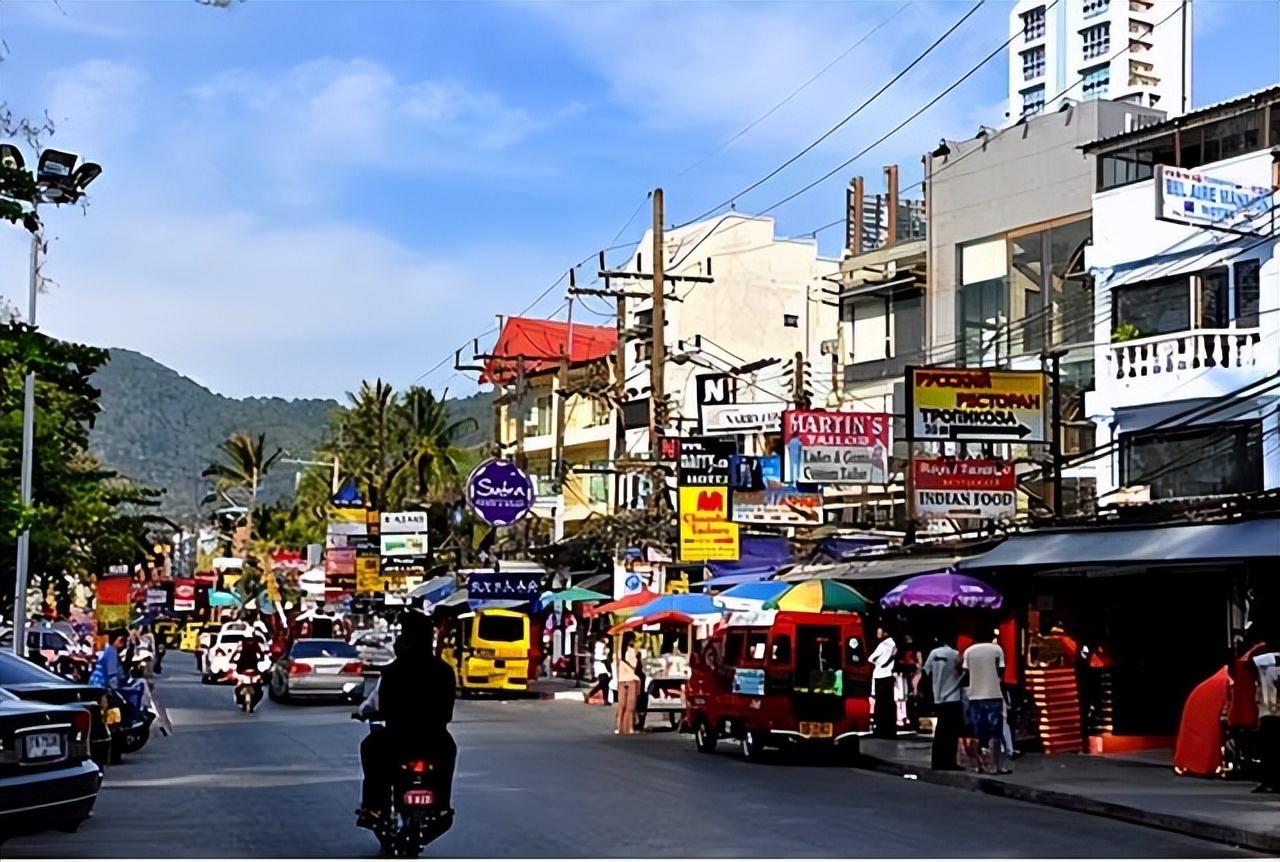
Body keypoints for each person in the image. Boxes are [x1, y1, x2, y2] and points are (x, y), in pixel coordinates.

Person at [356, 611, 457, 825]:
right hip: (435, 741)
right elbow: (446, 712)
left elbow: (380, 707)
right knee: (448, 753)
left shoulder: (393, 672)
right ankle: (441, 806)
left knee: (370, 747)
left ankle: (375, 807)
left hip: (397, 740)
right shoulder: (444, 672)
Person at [963, 630, 1010, 774]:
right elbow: (1001, 670)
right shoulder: (996, 649)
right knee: (995, 732)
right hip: (993, 693)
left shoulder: (969, 651)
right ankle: (995, 765)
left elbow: (966, 671)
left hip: (974, 695)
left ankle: (978, 765)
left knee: (977, 732)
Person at [924, 634, 964, 770]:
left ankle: (936, 761)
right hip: (953, 697)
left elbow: (926, 672)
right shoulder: (956, 655)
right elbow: (963, 672)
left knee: (940, 732)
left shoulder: (934, 653)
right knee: (951, 733)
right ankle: (949, 761)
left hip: (938, 697)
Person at [869, 626, 898, 739]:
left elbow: (871, 658)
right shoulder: (894, 645)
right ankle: (890, 729)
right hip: (889, 676)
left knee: (880, 704)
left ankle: (880, 729)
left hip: (880, 675)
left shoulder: (883, 645)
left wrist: (878, 663)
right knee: (889, 704)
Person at [615, 633, 641, 735]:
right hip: (631, 678)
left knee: (622, 705)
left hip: (622, 679)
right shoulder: (630, 652)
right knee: (630, 705)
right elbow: (634, 666)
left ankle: (620, 727)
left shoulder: (619, 653)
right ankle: (629, 727)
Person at [584, 636, 611, 705]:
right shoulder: (600, 646)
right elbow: (603, 656)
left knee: (604, 684)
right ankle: (590, 695)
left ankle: (605, 699)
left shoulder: (600, 646)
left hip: (601, 666)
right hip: (602, 665)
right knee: (603, 683)